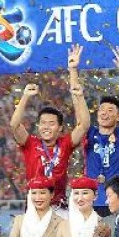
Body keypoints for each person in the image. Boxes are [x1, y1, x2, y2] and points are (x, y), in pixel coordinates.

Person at [9, 44, 91, 209]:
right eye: (43, 123)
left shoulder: (65, 144)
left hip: (58, 205)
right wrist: (25, 97)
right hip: (34, 204)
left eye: (51, 123)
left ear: (60, 128)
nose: (46, 127)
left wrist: (77, 87)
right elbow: (14, 125)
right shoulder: (31, 143)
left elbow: (84, 125)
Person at [77, 46, 119, 216]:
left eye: (111, 110)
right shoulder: (89, 134)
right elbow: (79, 111)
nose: (105, 113)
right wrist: (73, 72)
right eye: (102, 110)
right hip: (92, 201)